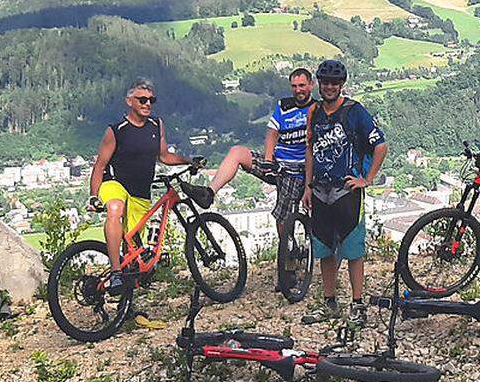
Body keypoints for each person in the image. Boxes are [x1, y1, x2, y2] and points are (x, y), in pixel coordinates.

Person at [88, 77, 204, 329]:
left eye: (151, 100)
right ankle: (115, 273)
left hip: (141, 194)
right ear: (130, 101)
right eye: (142, 99)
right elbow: (100, 165)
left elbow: (164, 156)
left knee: (135, 253)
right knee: (116, 209)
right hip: (115, 184)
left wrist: (187, 160)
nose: (147, 104)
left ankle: (126, 304)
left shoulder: (155, 125)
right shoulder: (116, 130)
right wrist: (94, 196)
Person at [206, 68, 315, 293]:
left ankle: (289, 264)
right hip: (278, 162)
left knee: (282, 215)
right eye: (294, 86)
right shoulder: (284, 106)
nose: (298, 90)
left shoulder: (317, 108)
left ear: (310, 85)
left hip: (299, 170)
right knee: (237, 152)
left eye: (302, 85)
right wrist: (267, 159)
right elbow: (272, 132)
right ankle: (210, 191)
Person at [302, 59, 387, 326]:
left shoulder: (355, 111)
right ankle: (329, 303)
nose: (329, 86)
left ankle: (357, 303)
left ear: (342, 84)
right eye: (325, 82)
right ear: (319, 83)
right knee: (324, 248)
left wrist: (367, 179)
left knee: (352, 249)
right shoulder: (314, 112)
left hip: (347, 190)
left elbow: (380, 145)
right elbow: (310, 149)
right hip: (320, 190)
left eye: (334, 82)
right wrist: (307, 186)